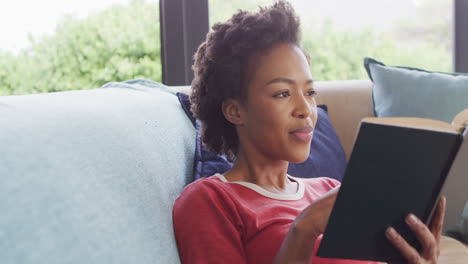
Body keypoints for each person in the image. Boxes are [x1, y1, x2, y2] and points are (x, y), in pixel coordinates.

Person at [172, 1, 446, 263]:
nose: (305, 109)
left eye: (310, 92)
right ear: (235, 111)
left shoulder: (332, 191)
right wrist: (304, 229)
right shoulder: (211, 200)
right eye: (282, 93)